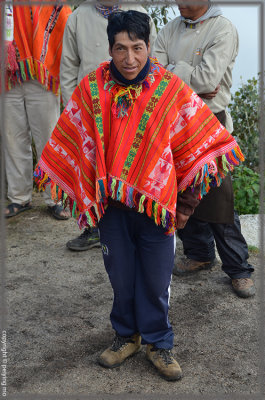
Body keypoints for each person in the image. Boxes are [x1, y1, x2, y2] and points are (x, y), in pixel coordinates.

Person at [34, 10, 244, 381]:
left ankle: (159, 344)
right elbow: (73, 138)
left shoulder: (170, 89)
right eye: (120, 49)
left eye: (138, 48)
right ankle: (125, 336)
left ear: (149, 46)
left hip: (157, 207)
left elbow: (198, 146)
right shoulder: (91, 88)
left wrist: (186, 205)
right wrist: (86, 195)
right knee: (120, 273)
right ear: (110, 48)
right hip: (112, 208)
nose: (129, 59)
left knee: (156, 276)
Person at [153, 0, 255, 298]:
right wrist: (189, 75)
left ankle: (238, 269)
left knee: (219, 198)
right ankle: (199, 254)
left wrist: (172, 71)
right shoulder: (170, 28)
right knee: (179, 190)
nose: (179, 3)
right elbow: (152, 74)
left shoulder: (222, 29)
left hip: (210, 124)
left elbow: (209, 80)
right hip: (174, 123)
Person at [60, 0, 157, 251]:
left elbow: (152, 60)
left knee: (127, 163)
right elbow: (69, 66)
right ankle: (93, 227)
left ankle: (136, 222)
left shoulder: (141, 14)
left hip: (132, 110)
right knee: (93, 166)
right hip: (92, 111)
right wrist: (75, 112)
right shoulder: (78, 17)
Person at [2, 1, 72, 219]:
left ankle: (55, 198)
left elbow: (62, 16)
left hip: (41, 74)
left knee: (49, 138)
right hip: (6, 75)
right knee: (13, 138)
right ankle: (19, 197)